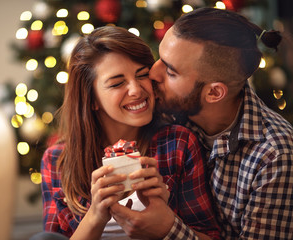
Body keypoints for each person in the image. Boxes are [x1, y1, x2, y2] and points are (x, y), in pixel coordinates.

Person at [110, 7, 293, 240]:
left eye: (171, 71)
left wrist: (168, 229)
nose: (153, 74)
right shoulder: (167, 115)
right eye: (160, 57)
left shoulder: (276, 155)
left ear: (214, 93)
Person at [37, 26, 220, 240]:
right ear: (91, 99)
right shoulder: (57, 160)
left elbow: (211, 236)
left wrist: (167, 225)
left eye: (142, 75)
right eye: (117, 83)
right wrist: (95, 215)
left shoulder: (177, 143)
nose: (136, 90)